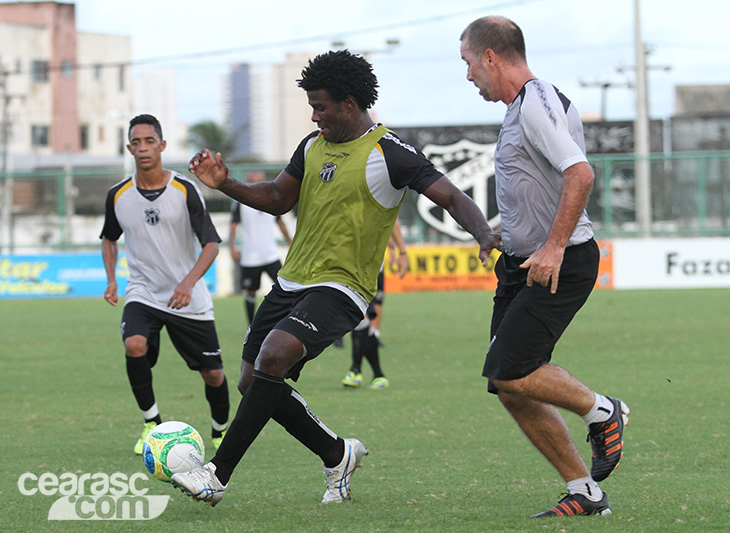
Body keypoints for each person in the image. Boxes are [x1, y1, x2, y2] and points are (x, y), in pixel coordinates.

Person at [171, 50, 500, 507]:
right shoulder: (310, 146)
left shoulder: (390, 152)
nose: (314, 115)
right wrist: (226, 184)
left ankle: (216, 474)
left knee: (274, 357)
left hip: (343, 288)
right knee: (253, 383)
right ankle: (337, 453)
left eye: (321, 106)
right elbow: (276, 198)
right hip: (291, 282)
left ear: (348, 103)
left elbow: (451, 196)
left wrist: (483, 232)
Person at [459, 17, 630, 518]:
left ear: (491, 56)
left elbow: (580, 172)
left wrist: (553, 247)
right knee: (507, 384)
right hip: (521, 263)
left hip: (560, 261)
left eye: (468, 63)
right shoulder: (523, 106)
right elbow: (535, 185)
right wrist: (501, 235)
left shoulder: (535, 101)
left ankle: (603, 410)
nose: (468, 75)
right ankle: (585, 492)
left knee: (510, 369)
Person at [100, 114, 230, 455]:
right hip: (143, 292)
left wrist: (188, 283)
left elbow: (212, 244)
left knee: (213, 375)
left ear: (162, 146)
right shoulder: (118, 195)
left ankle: (219, 430)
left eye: (149, 141)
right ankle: (151, 425)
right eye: (136, 142)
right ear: (129, 148)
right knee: (134, 345)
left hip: (188, 297)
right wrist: (112, 279)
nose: (143, 148)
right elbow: (109, 239)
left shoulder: (185, 189)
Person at [342, 220, 409, 390]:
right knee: (361, 320)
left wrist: (399, 251)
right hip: (347, 267)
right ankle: (376, 374)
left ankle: (356, 370)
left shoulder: (375, 196)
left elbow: (390, 221)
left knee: (362, 318)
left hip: (368, 269)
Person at [230, 170, 293, 323]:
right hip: (250, 257)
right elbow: (233, 226)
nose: (256, 184)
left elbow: (280, 223)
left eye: (259, 181)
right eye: (253, 181)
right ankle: (251, 326)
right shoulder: (239, 203)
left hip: (270, 254)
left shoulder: (271, 200)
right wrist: (232, 247)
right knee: (250, 292)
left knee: (286, 287)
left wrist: (292, 243)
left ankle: (287, 322)